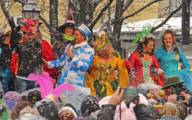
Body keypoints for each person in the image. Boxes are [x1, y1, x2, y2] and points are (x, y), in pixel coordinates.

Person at [85, 31, 128, 97]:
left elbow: (123, 74)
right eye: (98, 50)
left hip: (111, 90)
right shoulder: (93, 58)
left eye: (102, 50)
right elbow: (86, 71)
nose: (100, 52)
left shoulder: (116, 59)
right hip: (94, 88)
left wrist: (123, 89)